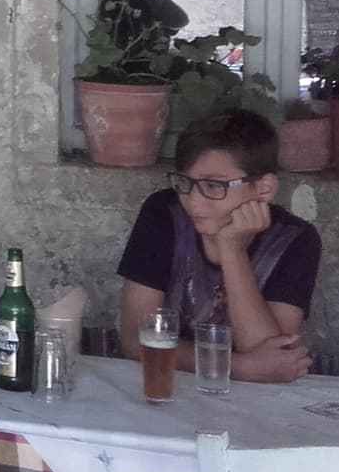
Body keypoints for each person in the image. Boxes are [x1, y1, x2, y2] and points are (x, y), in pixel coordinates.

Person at [116, 110, 322, 383]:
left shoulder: (295, 240)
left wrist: (232, 251)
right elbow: (135, 341)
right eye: (185, 182)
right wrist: (237, 366)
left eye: (213, 185)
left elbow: (273, 358)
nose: (193, 200)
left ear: (264, 188)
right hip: (169, 385)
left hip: (253, 401)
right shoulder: (164, 214)